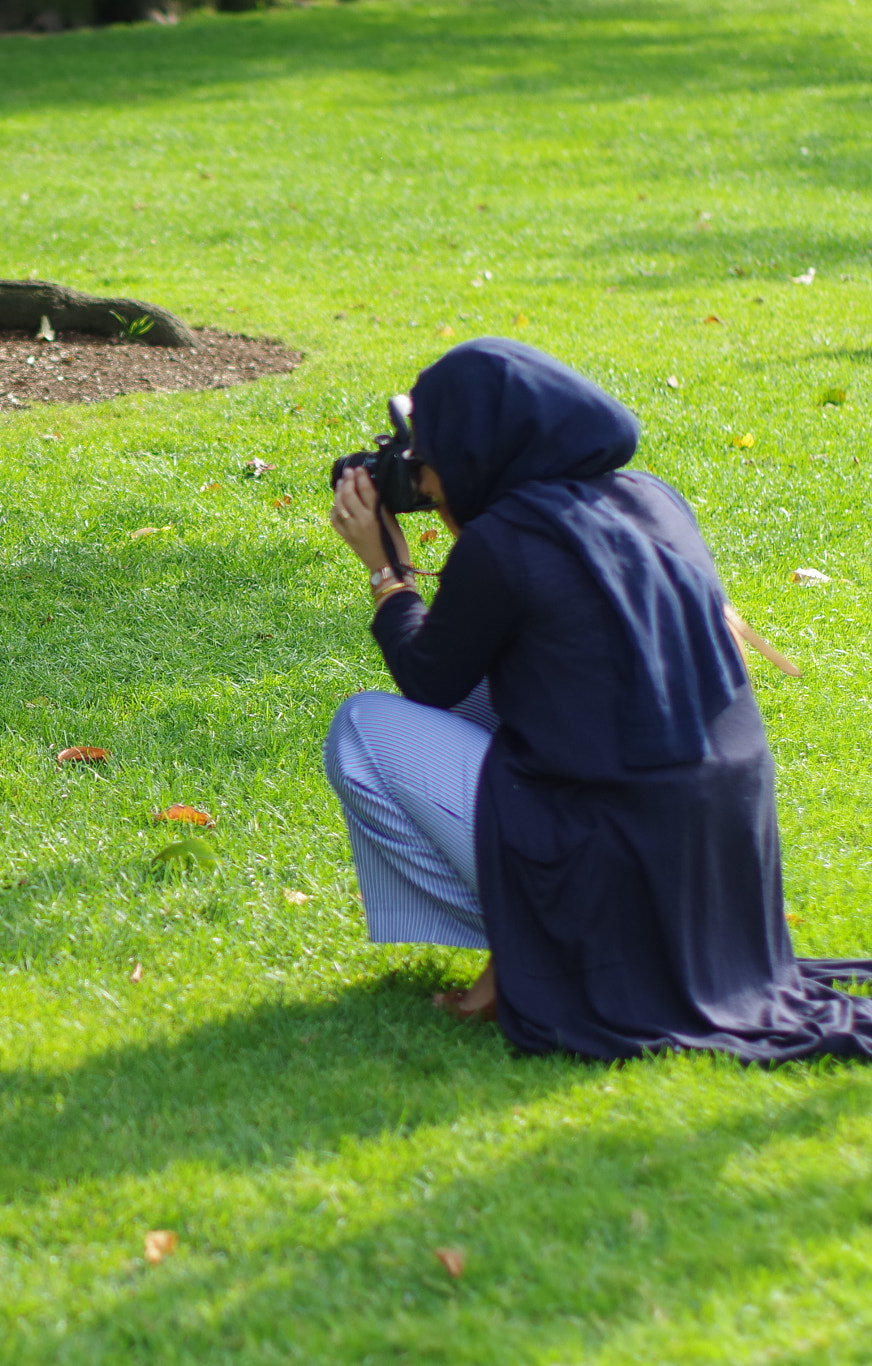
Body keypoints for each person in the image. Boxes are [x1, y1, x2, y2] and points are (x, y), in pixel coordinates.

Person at [323, 337, 872, 1062]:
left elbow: (428, 677)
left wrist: (388, 573)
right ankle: (530, 953)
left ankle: (529, 954)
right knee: (490, 692)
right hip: (715, 863)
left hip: (615, 854)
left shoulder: (506, 541)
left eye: (426, 461)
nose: (419, 478)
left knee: (363, 729)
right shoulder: (652, 500)